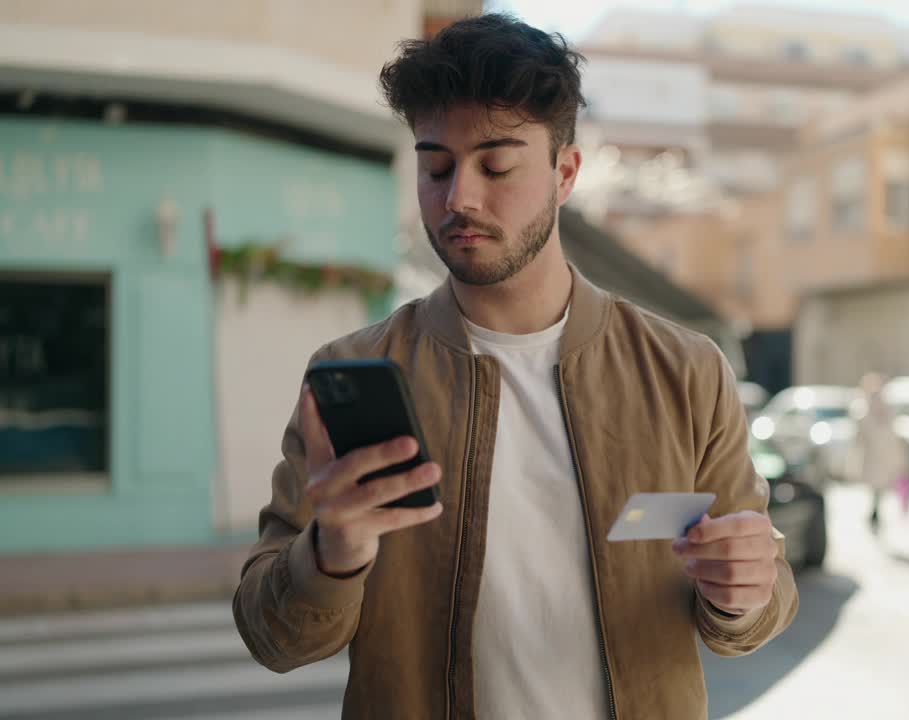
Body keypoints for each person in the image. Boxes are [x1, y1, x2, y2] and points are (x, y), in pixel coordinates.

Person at [232, 14, 797, 720]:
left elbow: (759, 598)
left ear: (565, 174)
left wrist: (742, 591)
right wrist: (332, 552)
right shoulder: (356, 369)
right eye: (436, 166)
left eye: (496, 166)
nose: (458, 197)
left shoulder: (683, 369)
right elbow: (273, 636)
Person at [848, 372, 909, 533]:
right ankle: (874, 512)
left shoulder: (887, 409)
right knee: (875, 486)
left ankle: (876, 511)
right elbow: (861, 435)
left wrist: (900, 459)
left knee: (881, 486)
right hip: (872, 456)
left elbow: (893, 435)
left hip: (885, 456)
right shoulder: (862, 410)